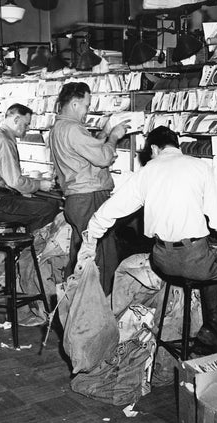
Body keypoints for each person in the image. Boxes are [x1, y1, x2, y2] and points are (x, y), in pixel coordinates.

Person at [83, 126, 217, 353]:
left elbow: (110, 210)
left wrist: (90, 240)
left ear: (154, 148)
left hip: (161, 259)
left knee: (212, 274)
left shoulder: (148, 171)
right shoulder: (199, 167)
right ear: (177, 145)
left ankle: (212, 333)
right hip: (195, 258)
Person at [49, 81, 128, 295]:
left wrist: (103, 133)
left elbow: (85, 152)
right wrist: (114, 137)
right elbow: (102, 158)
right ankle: (98, 311)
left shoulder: (59, 127)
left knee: (81, 256)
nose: (87, 110)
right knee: (102, 257)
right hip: (90, 198)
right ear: (75, 104)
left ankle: (73, 306)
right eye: (86, 105)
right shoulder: (73, 129)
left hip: (76, 201)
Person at [0, 103, 59, 232]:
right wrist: (39, 185)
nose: (27, 128)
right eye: (26, 124)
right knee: (47, 208)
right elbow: (15, 181)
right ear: (16, 120)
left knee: (39, 204)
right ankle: (30, 250)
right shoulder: (4, 141)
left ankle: (18, 247)